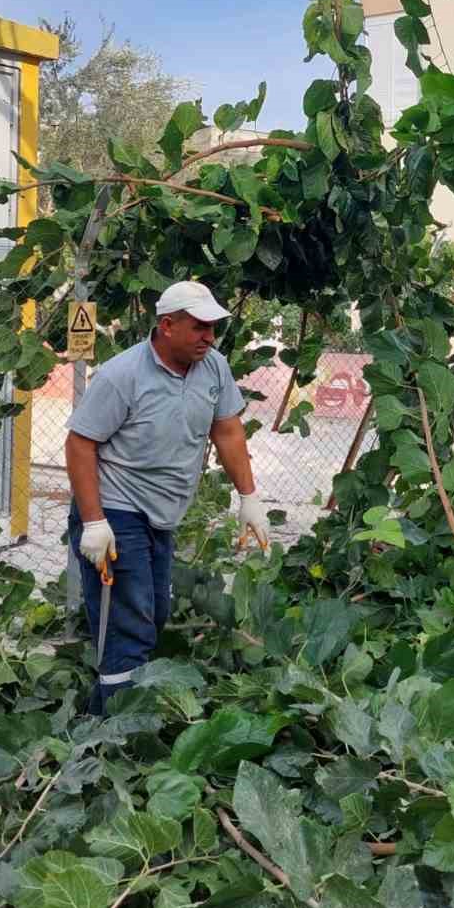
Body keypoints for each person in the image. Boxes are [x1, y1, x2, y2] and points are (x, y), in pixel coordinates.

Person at [65, 280, 271, 712]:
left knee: (153, 612)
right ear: (167, 325)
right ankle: (115, 731)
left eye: (213, 328)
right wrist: (95, 521)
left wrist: (249, 498)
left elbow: (228, 431)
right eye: (199, 327)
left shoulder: (213, 367)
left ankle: (101, 709)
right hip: (116, 510)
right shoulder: (123, 375)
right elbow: (80, 444)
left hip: (162, 514)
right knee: (128, 620)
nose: (209, 337)